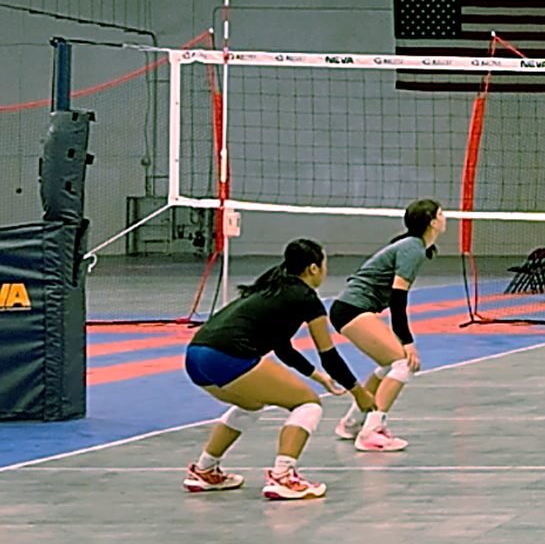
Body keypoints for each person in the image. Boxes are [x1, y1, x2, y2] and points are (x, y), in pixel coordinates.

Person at [181, 238, 358, 501]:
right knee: (308, 405)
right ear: (313, 268)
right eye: (324, 264)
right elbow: (329, 354)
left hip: (195, 355)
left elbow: (283, 349)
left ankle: (204, 469)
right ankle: (283, 476)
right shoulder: (306, 298)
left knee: (251, 404)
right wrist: (360, 393)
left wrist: (320, 378)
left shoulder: (272, 289)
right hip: (228, 354)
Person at [330, 198, 444, 452]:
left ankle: (352, 423)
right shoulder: (413, 248)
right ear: (432, 222)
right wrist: (407, 341)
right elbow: (398, 298)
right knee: (404, 364)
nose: (445, 217)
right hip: (352, 309)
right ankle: (371, 431)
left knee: (387, 365)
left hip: (350, 309)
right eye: (441, 213)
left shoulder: (414, 247)